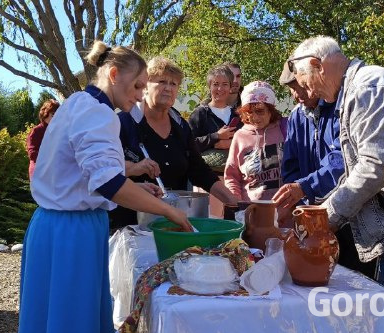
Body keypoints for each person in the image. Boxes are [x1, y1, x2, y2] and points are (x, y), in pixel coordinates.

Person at [18, 41, 191, 333]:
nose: (140, 94)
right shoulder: (98, 114)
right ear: (114, 74)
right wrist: (170, 212)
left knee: (52, 319)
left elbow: (82, 175)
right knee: (70, 324)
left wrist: (136, 188)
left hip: (52, 224)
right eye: (138, 85)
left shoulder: (75, 103)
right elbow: (109, 184)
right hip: (72, 230)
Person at [287, 34, 384, 333]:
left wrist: (324, 216)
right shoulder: (352, 92)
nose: (302, 87)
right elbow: (359, 169)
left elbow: (373, 168)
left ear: (316, 65)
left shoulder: (367, 87)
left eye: (301, 77)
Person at [272, 63, 376, 277]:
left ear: (310, 80)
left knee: (353, 279)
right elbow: (290, 167)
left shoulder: (339, 108)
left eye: (298, 86)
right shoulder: (296, 117)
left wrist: (306, 186)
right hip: (311, 217)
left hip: (349, 211)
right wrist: (298, 203)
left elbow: (342, 160)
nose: (295, 94)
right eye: (290, 88)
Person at [111, 57, 239, 228]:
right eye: (162, 81)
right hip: (130, 226)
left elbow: (199, 170)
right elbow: (106, 173)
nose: (168, 89)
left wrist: (234, 202)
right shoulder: (123, 123)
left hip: (173, 225)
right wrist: (134, 168)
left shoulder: (180, 126)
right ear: (145, 86)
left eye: (174, 84)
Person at [223, 81, 286, 206]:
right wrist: (237, 204)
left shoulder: (285, 129)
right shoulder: (240, 136)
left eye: (260, 111)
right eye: (249, 112)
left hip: (284, 210)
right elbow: (231, 176)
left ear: (271, 110)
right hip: (251, 209)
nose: (255, 117)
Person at [188, 64, 240, 152]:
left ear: (230, 87)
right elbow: (188, 144)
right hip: (206, 165)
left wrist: (232, 143)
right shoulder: (200, 114)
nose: (220, 88)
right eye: (216, 84)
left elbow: (251, 142)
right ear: (209, 87)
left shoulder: (238, 115)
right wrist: (216, 136)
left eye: (225, 84)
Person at [25, 99, 60, 181]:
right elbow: (32, 154)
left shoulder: (57, 131)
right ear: (45, 114)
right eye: (53, 115)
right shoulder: (36, 131)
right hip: (39, 173)